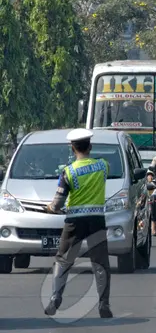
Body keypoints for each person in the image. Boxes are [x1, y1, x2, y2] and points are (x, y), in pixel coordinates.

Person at [44, 129, 112, 318]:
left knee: (63, 260)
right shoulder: (103, 166)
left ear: (72, 148)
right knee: (100, 264)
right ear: (90, 146)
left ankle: (55, 298)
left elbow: (57, 204)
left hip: (74, 222)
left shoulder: (68, 172)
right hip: (97, 221)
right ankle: (104, 304)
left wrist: (50, 209)